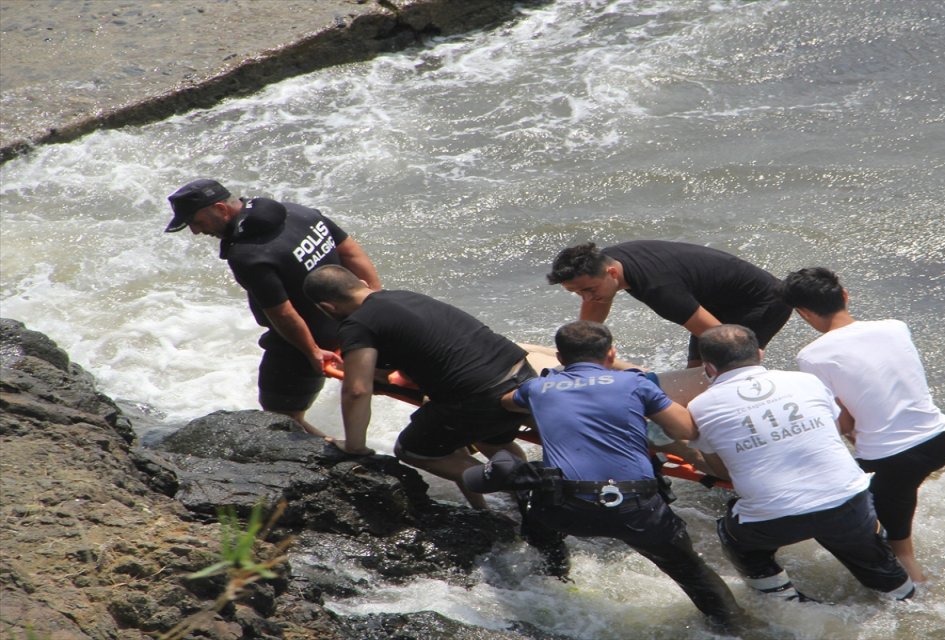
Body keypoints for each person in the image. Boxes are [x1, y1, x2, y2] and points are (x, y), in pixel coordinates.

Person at [460, 320, 743, 631]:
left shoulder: (538, 388)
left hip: (564, 508)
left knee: (539, 520)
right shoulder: (635, 385)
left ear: (561, 357)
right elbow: (686, 429)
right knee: (692, 571)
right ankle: (734, 627)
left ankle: (554, 580)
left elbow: (504, 401)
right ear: (611, 354)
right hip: (636, 509)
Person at [687, 325, 915, 603]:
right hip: (847, 502)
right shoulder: (807, 381)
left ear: (708, 368)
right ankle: (903, 595)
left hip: (771, 519)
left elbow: (720, 469)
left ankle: (784, 602)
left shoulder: (699, 407)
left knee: (733, 536)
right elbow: (829, 432)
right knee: (871, 557)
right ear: (760, 353)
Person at [302, 264, 533, 510]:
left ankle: (525, 484)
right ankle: (518, 498)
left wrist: (354, 446)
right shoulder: (405, 296)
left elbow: (357, 391)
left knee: (413, 449)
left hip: (481, 398)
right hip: (521, 375)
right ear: (362, 282)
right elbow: (422, 348)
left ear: (327, 308)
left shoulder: (357, 325)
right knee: (491, 441)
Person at [164, 178, 381, 436]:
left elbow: (282, 312)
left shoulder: (247, 255)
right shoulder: (298, 212)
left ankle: (340, 454)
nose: (196, 232)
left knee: (280, 418)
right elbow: (351, 252)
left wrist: (312, 352)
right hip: (350, 324)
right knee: (383, 380)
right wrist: (375, 304)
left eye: (197, 222)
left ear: (221, 209)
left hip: (308, 342)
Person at [782, 267, 945, 584]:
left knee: (896, 546)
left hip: (891, 457)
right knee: (897, 494)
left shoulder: (811, 356)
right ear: (845, 295)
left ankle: (920, 604)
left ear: (803, 313)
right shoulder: (895, 327)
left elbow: (844, 420)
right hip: (941, 438)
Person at [546, 240, 791, 367]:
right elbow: (592, 314)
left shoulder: (659, 290)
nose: (587, 298)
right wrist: (577, 353)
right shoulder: (605, 262)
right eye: (577, 293)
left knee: (729, 362)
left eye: (589, 290)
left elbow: (724, 340)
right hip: (716, 301)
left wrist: (746, 354)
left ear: (611, 273)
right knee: (697, 369)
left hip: (761, 301)